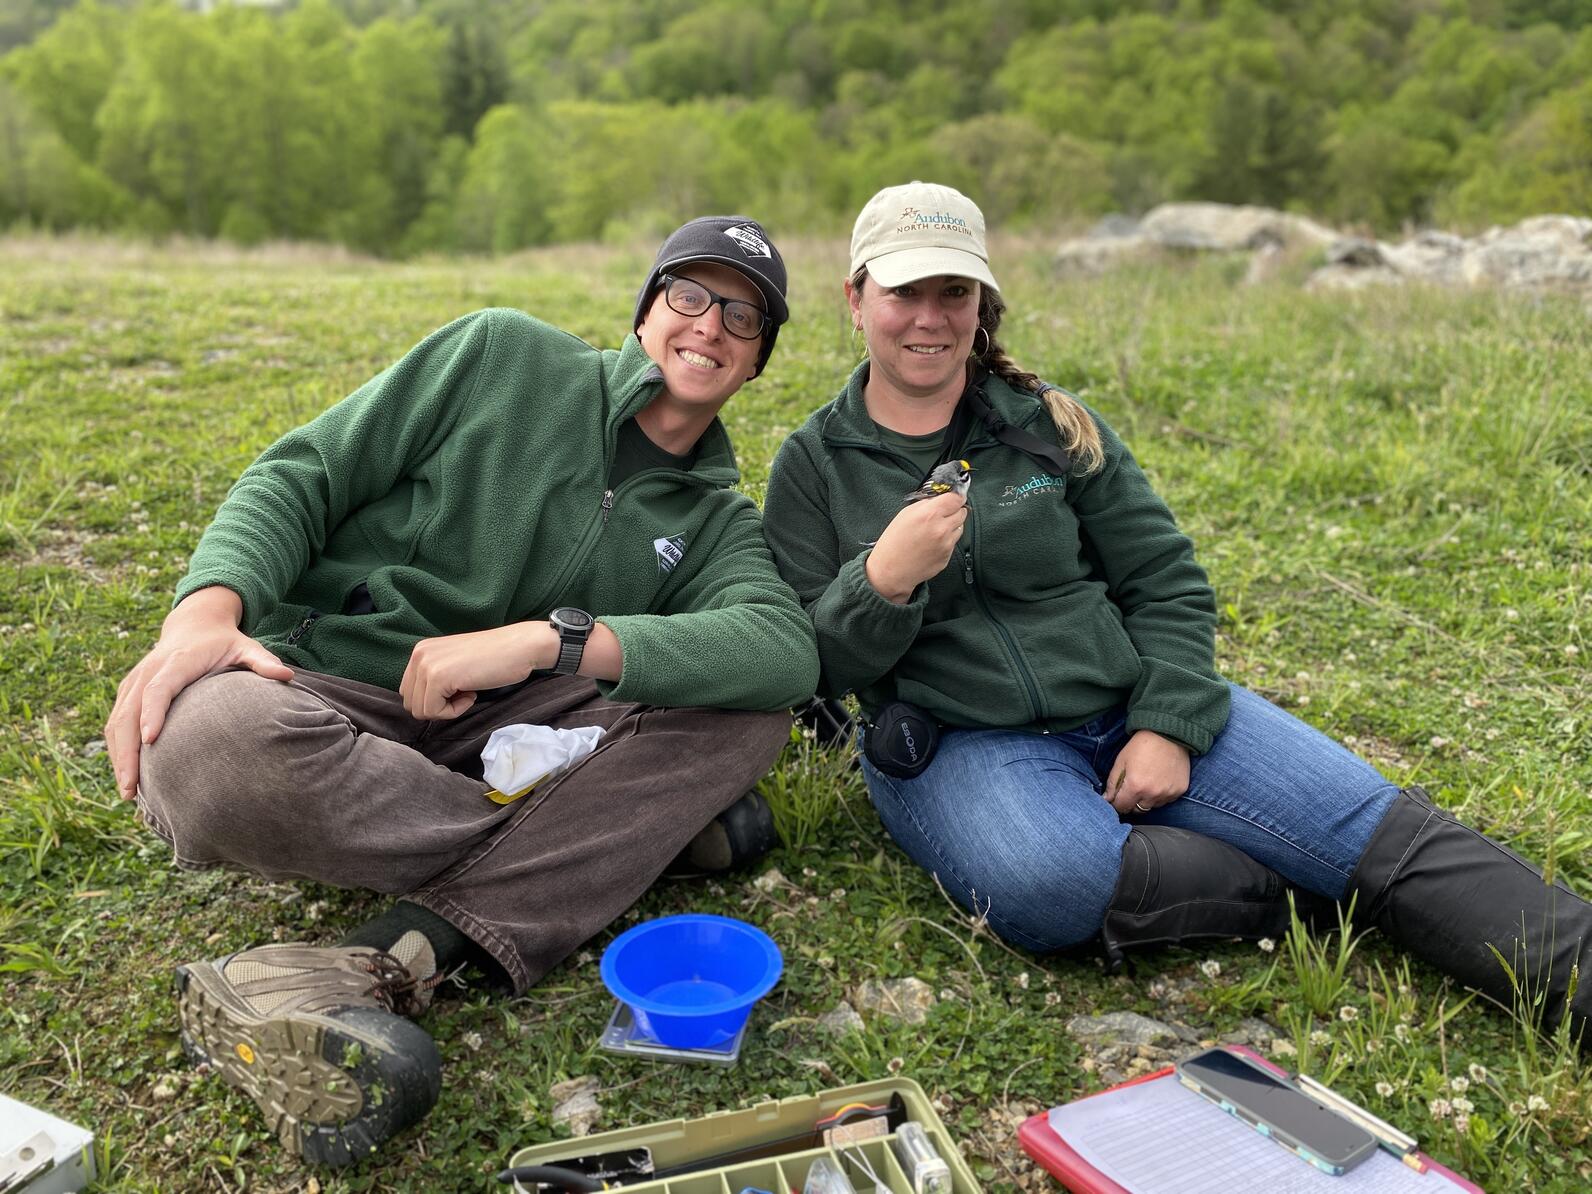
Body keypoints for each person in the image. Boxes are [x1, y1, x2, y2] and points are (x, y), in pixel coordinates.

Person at [763, 181, 1589, 1049]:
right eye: (903, 292)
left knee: (1378, 828)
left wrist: (1167, 723)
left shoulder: (1053, 424)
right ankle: (1300, 886)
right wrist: (883, 583)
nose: (929, 318)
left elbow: (1166, 578)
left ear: (982, 302)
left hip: (1124, 698)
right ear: (855, 300)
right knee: (1050, 881)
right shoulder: (812, 466)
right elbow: (820, 667)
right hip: (965, 744)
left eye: (953, 292)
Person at [105, 215, 820, 1165]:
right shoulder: (499, 354)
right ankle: (616, 838)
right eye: (689, 294)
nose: (711, 325)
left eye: (744, 316)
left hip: (508, 723)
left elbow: (782, 650)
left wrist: (549, 641)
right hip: (323, 689)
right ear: (646, 310)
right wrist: (205, 613)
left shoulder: (717, 520)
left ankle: (382, 954)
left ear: (759, 362)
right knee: (206, 748)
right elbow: (305, 473)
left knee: (744, 721)